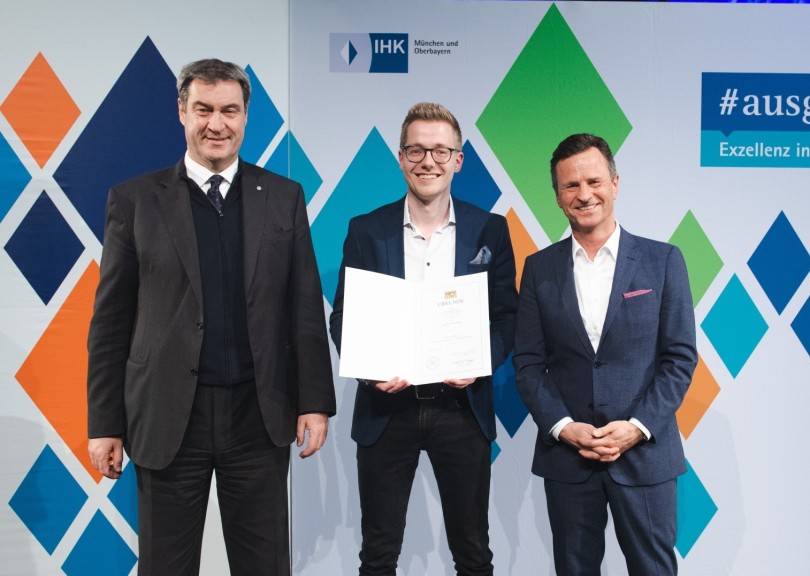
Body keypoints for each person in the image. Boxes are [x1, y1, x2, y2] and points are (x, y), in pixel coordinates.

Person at [86, 58, 336, 576]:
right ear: (182, 111)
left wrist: (314, 401)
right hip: (168, 417)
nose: (216, 124)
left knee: (264, 566)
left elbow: (304, 309)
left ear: (246, 117)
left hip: (258, 415)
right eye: (203, 109)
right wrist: (104, 423)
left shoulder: (284, 198)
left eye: (229, 110)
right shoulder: (134, 201)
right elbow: (111, 323)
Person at [328, 102, 517, 576]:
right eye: (416, 149)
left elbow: (507, 317)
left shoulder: (489, 229)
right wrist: (369, 370)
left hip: (461, 408)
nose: (427, 161)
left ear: (459, 159)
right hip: (386, 410)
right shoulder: (366, 230)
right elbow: (343, 316)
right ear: (399, 157)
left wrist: (479, 361)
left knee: (473, 553)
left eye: (439, 150)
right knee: (378, 554)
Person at [514, 133, 697, 575]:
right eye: (570, 186)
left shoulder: (663, 260)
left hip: (645, 456)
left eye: (593, 181)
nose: (584, 194)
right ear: (557, 196)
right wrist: (563, 427)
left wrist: (636, 427)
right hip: (569, 458)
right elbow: (528, 364)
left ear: (615, 183)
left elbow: (679, 359)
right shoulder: (539, 269)